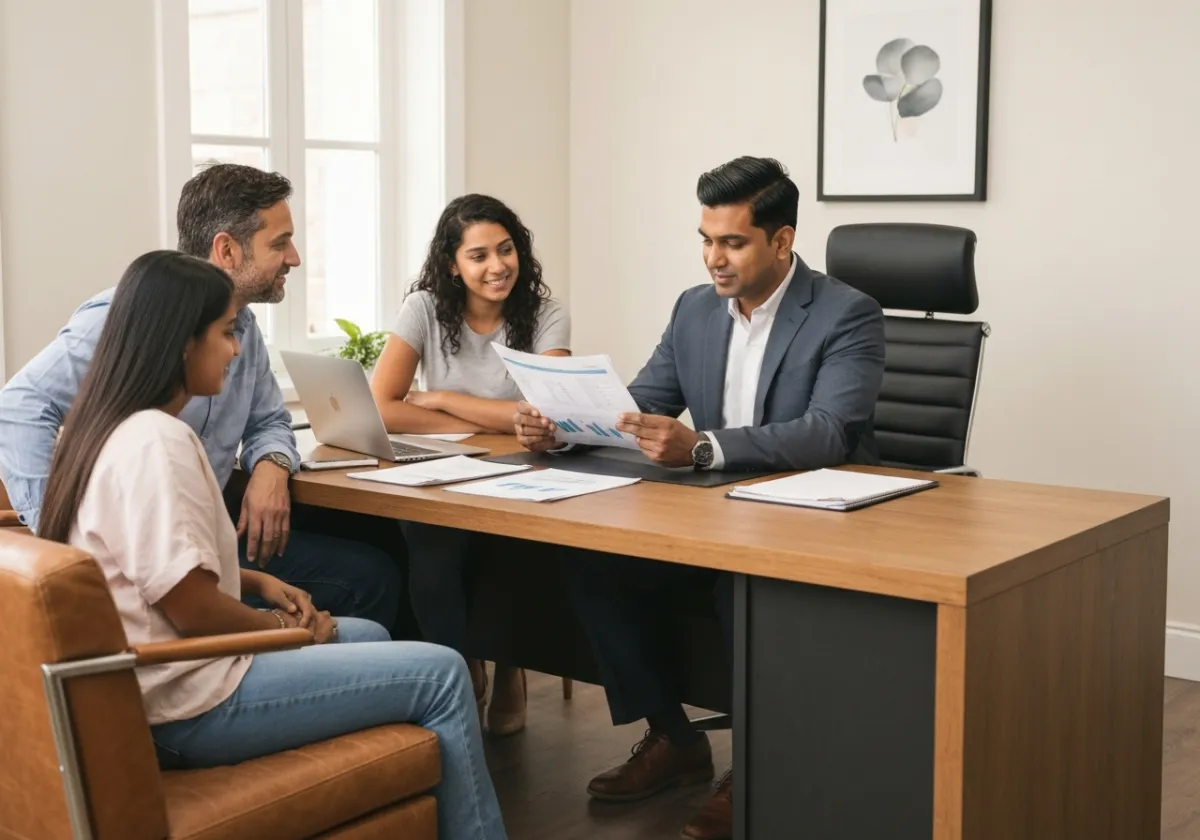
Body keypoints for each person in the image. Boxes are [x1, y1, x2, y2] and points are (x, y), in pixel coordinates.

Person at [37, 250, 507, 840]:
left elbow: (157, 575)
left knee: (371, 634)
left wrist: (259, 584)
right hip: (186, 701)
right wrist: (281, 633)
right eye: (225, 333)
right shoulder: (156, 443)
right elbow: (191, 609)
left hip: (163, 678)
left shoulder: (102, 427)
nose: (236, 349)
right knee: (441, 672)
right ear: (183, 343)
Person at [514, 157, 886, 840]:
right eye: (706, 240)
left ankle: (760, 766)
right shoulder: (694, 308)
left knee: (738, 587)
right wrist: (560, 429)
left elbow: (830, 433)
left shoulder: (847, 314)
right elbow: (642, 408)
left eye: (733, 242)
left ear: (781, 241)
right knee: (593, 560)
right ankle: (674, 738)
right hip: (711, 513)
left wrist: (705, 448)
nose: (715, 259)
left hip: (810, 518)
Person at [0, 164, 402, 631]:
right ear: (226, 249)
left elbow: (269, 419)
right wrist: (56, 539)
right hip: (154, 557)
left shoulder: (245, 328)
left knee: (381, 549)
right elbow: (19, 406)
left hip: (210, 538)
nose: (294, 258)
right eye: (279, 242)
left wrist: (271, 466)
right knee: (370, 579)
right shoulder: (128, 319)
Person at [370, 193, 570, 735]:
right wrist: (500, 419)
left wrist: (442, 400)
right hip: (449, 468)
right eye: (478, 256)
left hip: (528, 471)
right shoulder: (425, 310)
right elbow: (382, 406)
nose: (497, 266)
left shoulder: (547, 315)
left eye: (505, 250)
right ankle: (461, 670)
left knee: (515, 548)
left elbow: (548, 412)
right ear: (452, 265)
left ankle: (510, 667)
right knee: (428, 539)